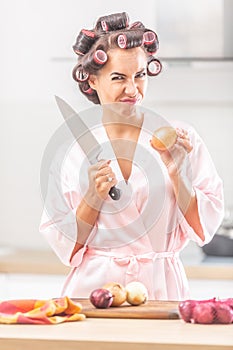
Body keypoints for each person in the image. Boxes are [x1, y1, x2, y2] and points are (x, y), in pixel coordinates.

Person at [39, 12, 224, 300]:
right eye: (118, 78)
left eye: (139, 75)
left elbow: (204, 231)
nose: (132, 89)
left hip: (162, 292)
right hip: (94, 294)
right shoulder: (71, 152)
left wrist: (179, 172)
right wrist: (92, 198)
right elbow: (67, 249)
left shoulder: (180, 139)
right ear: (92, 80)